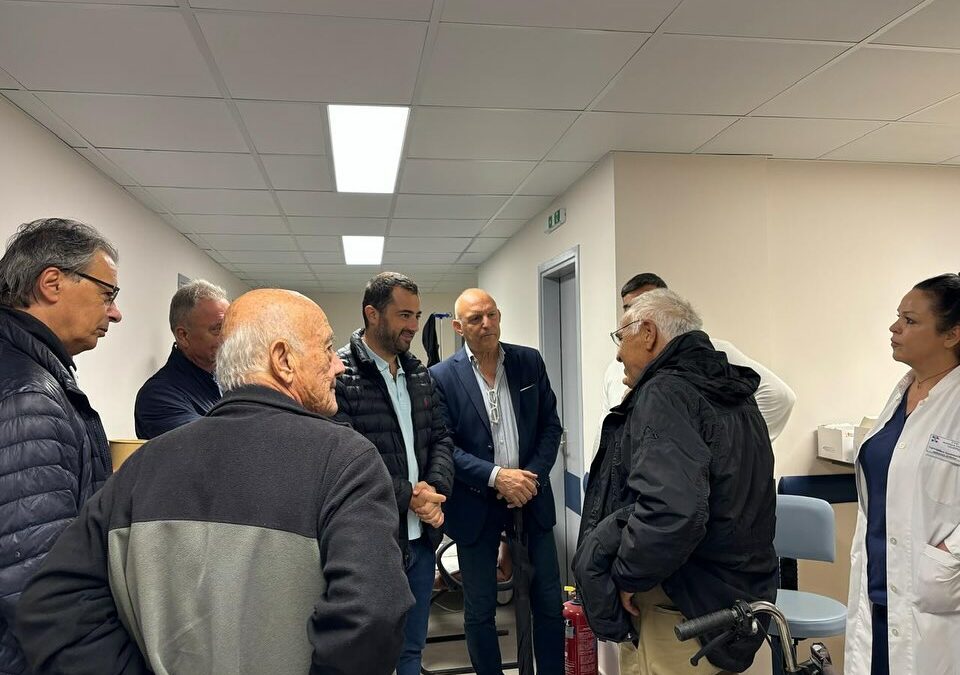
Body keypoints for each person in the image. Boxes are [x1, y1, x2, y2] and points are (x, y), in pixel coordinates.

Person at [15, 289, 414, 675]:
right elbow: (373, 614)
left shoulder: (143, 465)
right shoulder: (345, 460)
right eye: (326, 349)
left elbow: (51, 606)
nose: (337, 366)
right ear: (283, 360)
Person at [575, 289, 778, 675]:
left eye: (621, 338)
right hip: (734, 593)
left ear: (648, 333)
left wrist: (631, 575)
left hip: (680, 600)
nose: (618, 355)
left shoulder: (664, 393)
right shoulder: (734, 389)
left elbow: (671, 511)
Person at [0, 217, 122, 675]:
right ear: (52, 283)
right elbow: (33, 578)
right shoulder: (28, 396)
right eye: (107, 294)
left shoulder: (29, 373)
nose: (115, 313)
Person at [430, 288, 564, 675]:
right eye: (475, 319)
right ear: (459, 327)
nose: (486, 324)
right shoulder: (441, 377)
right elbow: (444, 445)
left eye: (491, 315)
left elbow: (550, 427)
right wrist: (497, 477)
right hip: (476, 505)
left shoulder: (528, 362)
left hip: (532, 499)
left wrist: (529, 479)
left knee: (548, 603)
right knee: (480, 610)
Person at [334, 272, 454, 675]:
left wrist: (434, 490)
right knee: (368, 655)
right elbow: (346, 457)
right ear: (373, 314)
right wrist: (409, 496)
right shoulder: (340, 373)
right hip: (372, 544)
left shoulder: (418, 372)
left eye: (417, 315)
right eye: (404, 315)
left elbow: (441, 436)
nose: (414, 326)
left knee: (411, 651)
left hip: (420, 541)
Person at [845, 273, 960, 675]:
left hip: (935, 602)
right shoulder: (903, 392)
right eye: (898, 317)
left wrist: (950, 554)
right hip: (881, 591)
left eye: (910, 321)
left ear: (952, 334)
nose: (894, 328)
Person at [600, 273, 796, 442]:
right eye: (629, 308)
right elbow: (607, 427)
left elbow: (778, 397)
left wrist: (727, 448)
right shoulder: (616, 368)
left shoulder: (712, 353)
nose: (637, 314)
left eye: (645, 304)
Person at [134, 279, 229, 439]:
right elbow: (215, 443)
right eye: (218, 329)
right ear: (183, 336)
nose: (228, 337)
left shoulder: (225, 382)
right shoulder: (159, 396)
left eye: (230, 327)